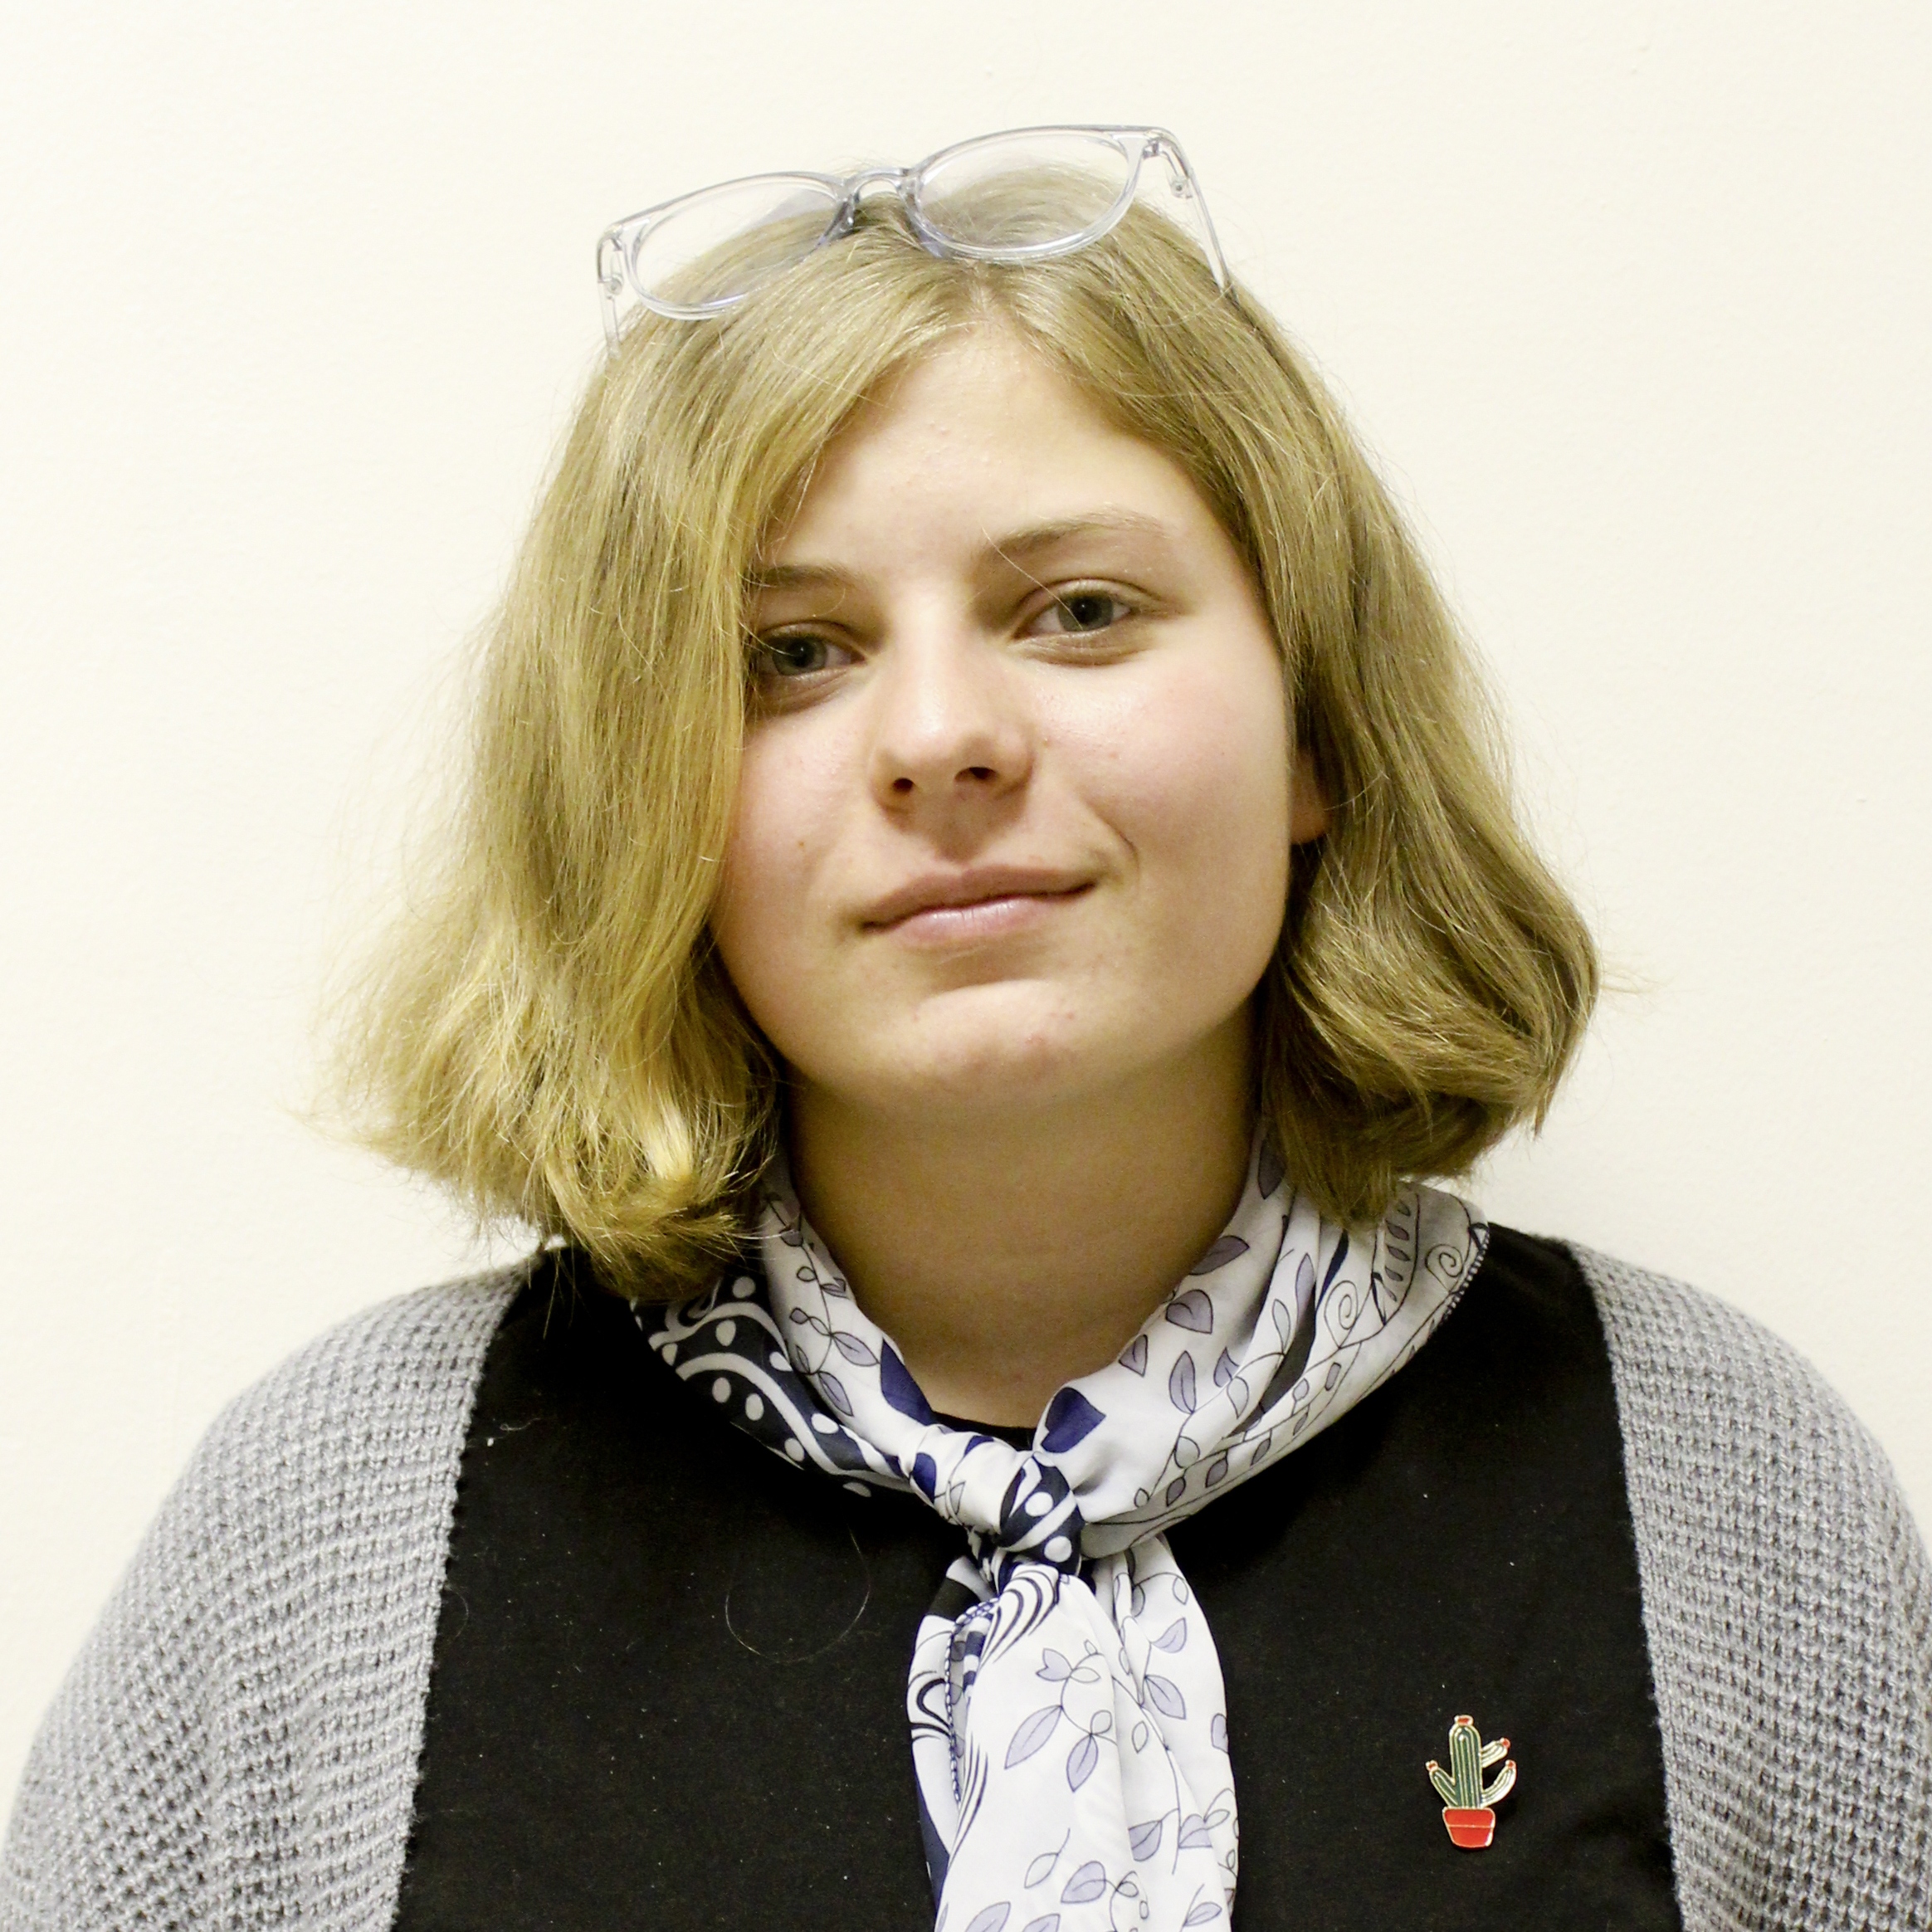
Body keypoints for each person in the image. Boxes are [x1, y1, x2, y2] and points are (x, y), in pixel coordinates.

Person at [3, 124, 1927, 1932]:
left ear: (1318, 725)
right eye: (792, 655)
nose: (941, 738)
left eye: (1079, 611)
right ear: (640, 796)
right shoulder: (333, 1539)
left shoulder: (1719, 1495)